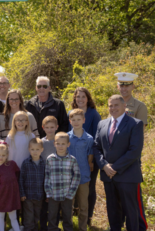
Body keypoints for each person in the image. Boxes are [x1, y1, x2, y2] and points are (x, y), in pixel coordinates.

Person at [94, 95, 147, 231]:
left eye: (116, 105)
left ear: (124, 106)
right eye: (110, 105)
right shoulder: (102, 124)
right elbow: (96, 148)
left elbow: (134, 151)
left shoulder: (135, 124)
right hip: (108, 176)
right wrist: (104, 165)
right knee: (113, 211)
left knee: (131, 212)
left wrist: (115, 167)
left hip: (127, 176)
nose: (113, 108)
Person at [115, 72, 148, 230]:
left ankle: (140, 227)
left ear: (133, 86)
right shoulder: (114, 104)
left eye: (127, 84)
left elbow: (139, 134)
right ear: (117, 86)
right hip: (114, 158)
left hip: (130, 159)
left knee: (133, 197)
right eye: (121, 84)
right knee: (117, 196)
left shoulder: (139, 106)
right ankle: (118, 225)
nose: (124, 88)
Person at [67, 87, 101, 226]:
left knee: (89, 189)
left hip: (88, 158)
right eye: (77, 96)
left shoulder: (94, 114)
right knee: (72, 192)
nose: (80, 99)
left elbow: (96, 139)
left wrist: (91, 160)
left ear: (88, 98)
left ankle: (87, 219)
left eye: (83, 96)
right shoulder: (70, 113)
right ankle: (72, 218)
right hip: (72, 156)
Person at [45, 132, 81, 231]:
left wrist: (71, 192)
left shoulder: (72, 160)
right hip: (53, 194)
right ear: (54, 144)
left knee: (67, 216)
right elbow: (47, 176)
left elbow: (76, 176)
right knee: (52, 215)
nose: (61, 146)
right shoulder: (50, 159)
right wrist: (48, 193)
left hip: (67, 194)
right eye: (58, 143)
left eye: (63, 144)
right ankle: (52, 229)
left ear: (68, 144)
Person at [67, 109, 94, 231]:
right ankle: (69, 227)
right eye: (73, 120)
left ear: (84, 120)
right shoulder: (66, 137)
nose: (76, 122)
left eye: (79, 119)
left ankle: (83, 227)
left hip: (83, 175)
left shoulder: (89, 138)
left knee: (83, 205)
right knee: (68, 205)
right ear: (70, 121)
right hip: (69, 176)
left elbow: (90, 156)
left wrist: (89, 166)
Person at [0, 143, 21, 231]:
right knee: (1, 215)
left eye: (3, 155)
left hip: (12, 195)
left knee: (13, 217)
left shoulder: (12, 164)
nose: (1, 157)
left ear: (7, 155)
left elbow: (17, 173)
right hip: (1, 195)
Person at [19, 138, 45, 231]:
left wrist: (46, 194)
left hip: (39, 196)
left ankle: (34, 229)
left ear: (42, 150)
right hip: (28, 196)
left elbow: (46, 180)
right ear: (29, 150)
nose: (35, 151)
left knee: (37, 215)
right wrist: (22, 193)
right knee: (28, 216)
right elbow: (21, 179)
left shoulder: (44, 163)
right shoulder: (26, 163)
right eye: (32, 149)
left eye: (37, 149)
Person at [39, 116, 58, 231]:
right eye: (47, 127)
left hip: (55, 177)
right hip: (43, 177)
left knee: (54, 205)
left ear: (57, 127)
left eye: (52, 127)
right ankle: (42, 226)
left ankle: (53, 226)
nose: (50, 130)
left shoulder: (59, 141)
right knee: (43, 204)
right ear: (43, 128)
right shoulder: (41, 142)